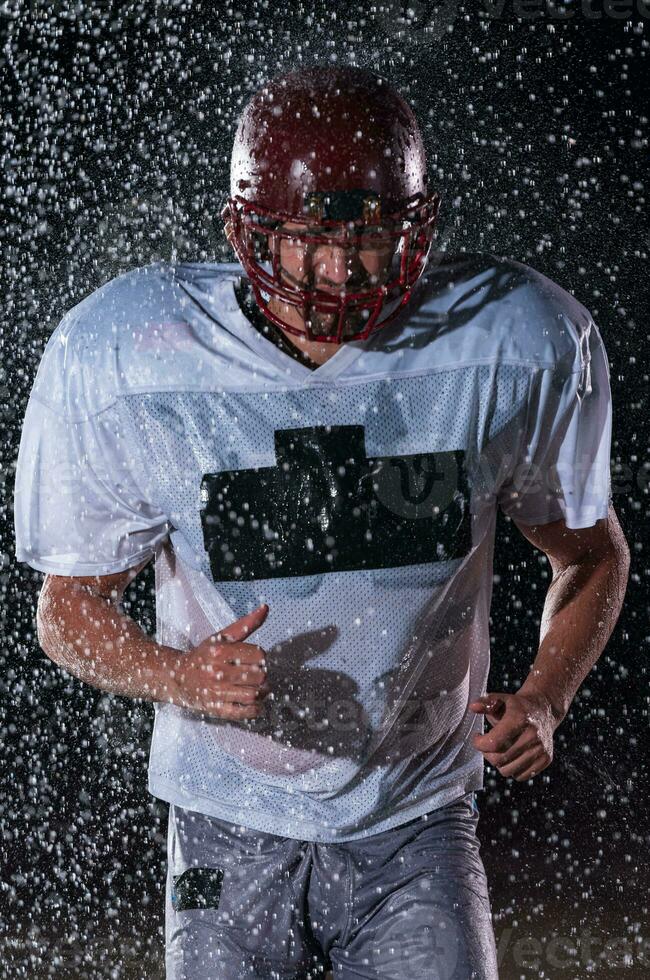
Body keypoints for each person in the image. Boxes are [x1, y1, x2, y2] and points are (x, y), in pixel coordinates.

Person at [14, 66, 629, 979]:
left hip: (415, 815)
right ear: (247, 231)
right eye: (309, 236)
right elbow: (65, 612)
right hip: (228, 816)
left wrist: (545, 696)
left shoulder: (515, 341)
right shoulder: (130, 355)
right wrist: (176, 673)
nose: (343, 268)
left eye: (371, 233)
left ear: (415, 226)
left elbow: (592, 557)